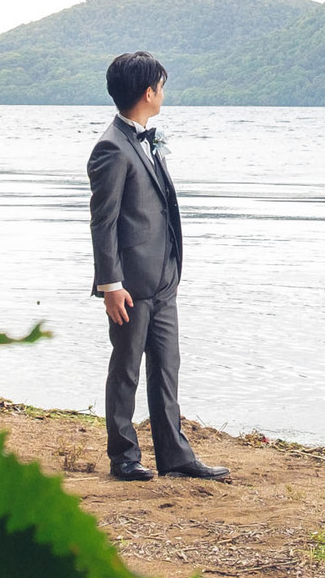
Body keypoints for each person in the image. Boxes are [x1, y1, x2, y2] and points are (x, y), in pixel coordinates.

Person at [88, 52, 228, 483]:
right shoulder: (111, 148)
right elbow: (104, 221)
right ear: (148, 92)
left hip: (164, 279)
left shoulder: (144, 140)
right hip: (130, 284)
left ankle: (174, 453)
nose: (164, 93)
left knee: (167, 368)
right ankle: (124, 456)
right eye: (161, 86)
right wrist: (110, 284)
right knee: (126, 368)